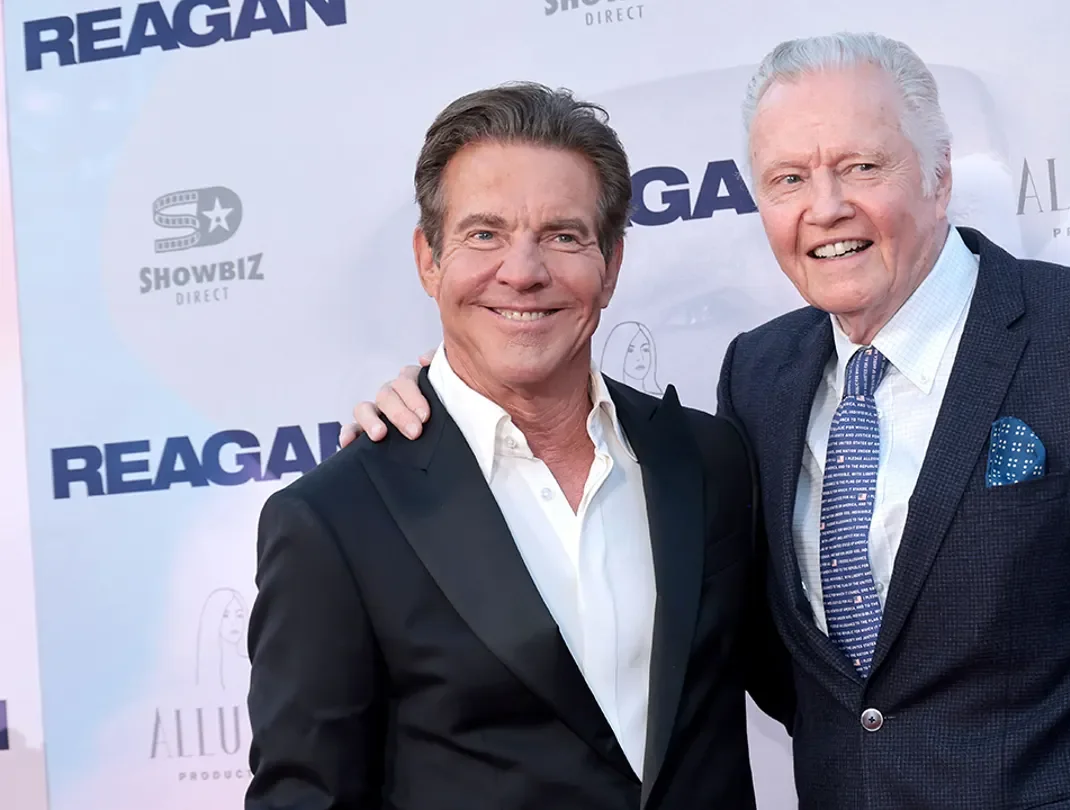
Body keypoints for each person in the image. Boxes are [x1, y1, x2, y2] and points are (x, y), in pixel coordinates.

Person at [342, 33, 1070, 809]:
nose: (827, 207)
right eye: (789, 178)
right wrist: (447, 414)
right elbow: (769, 656)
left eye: (860, 165)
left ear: (936, 175)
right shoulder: (760, 375)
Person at [246, 82, 792, 810]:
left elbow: (816, 685)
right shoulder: (335, 521)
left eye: (563, 236)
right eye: (484, 234)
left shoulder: (709, 461)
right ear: (428, 260)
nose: (524, 271)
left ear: (612, 263)